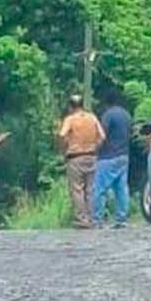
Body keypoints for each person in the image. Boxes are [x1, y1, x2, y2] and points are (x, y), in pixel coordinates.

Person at [58, 94, 105, 229]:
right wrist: (95, 147)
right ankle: (91, 217)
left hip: (75, 156)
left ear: (70, 106)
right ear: (82, 105)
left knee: (77, 189)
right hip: (91, 156)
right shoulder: (92, 118)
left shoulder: (70, 119)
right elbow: (102, 136)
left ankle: (81, 218)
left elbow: (62, 135)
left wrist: (64, 149)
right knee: (90, 189)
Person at [93, 89, 132, 228]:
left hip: (108, 157)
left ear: (107, 102)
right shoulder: (126, 115)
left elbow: (102, 135)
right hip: (124, 156)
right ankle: (121, 218)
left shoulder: (108, 115)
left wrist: (95, 149)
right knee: (121, 188)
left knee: (99, 189)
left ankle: (97, 219)